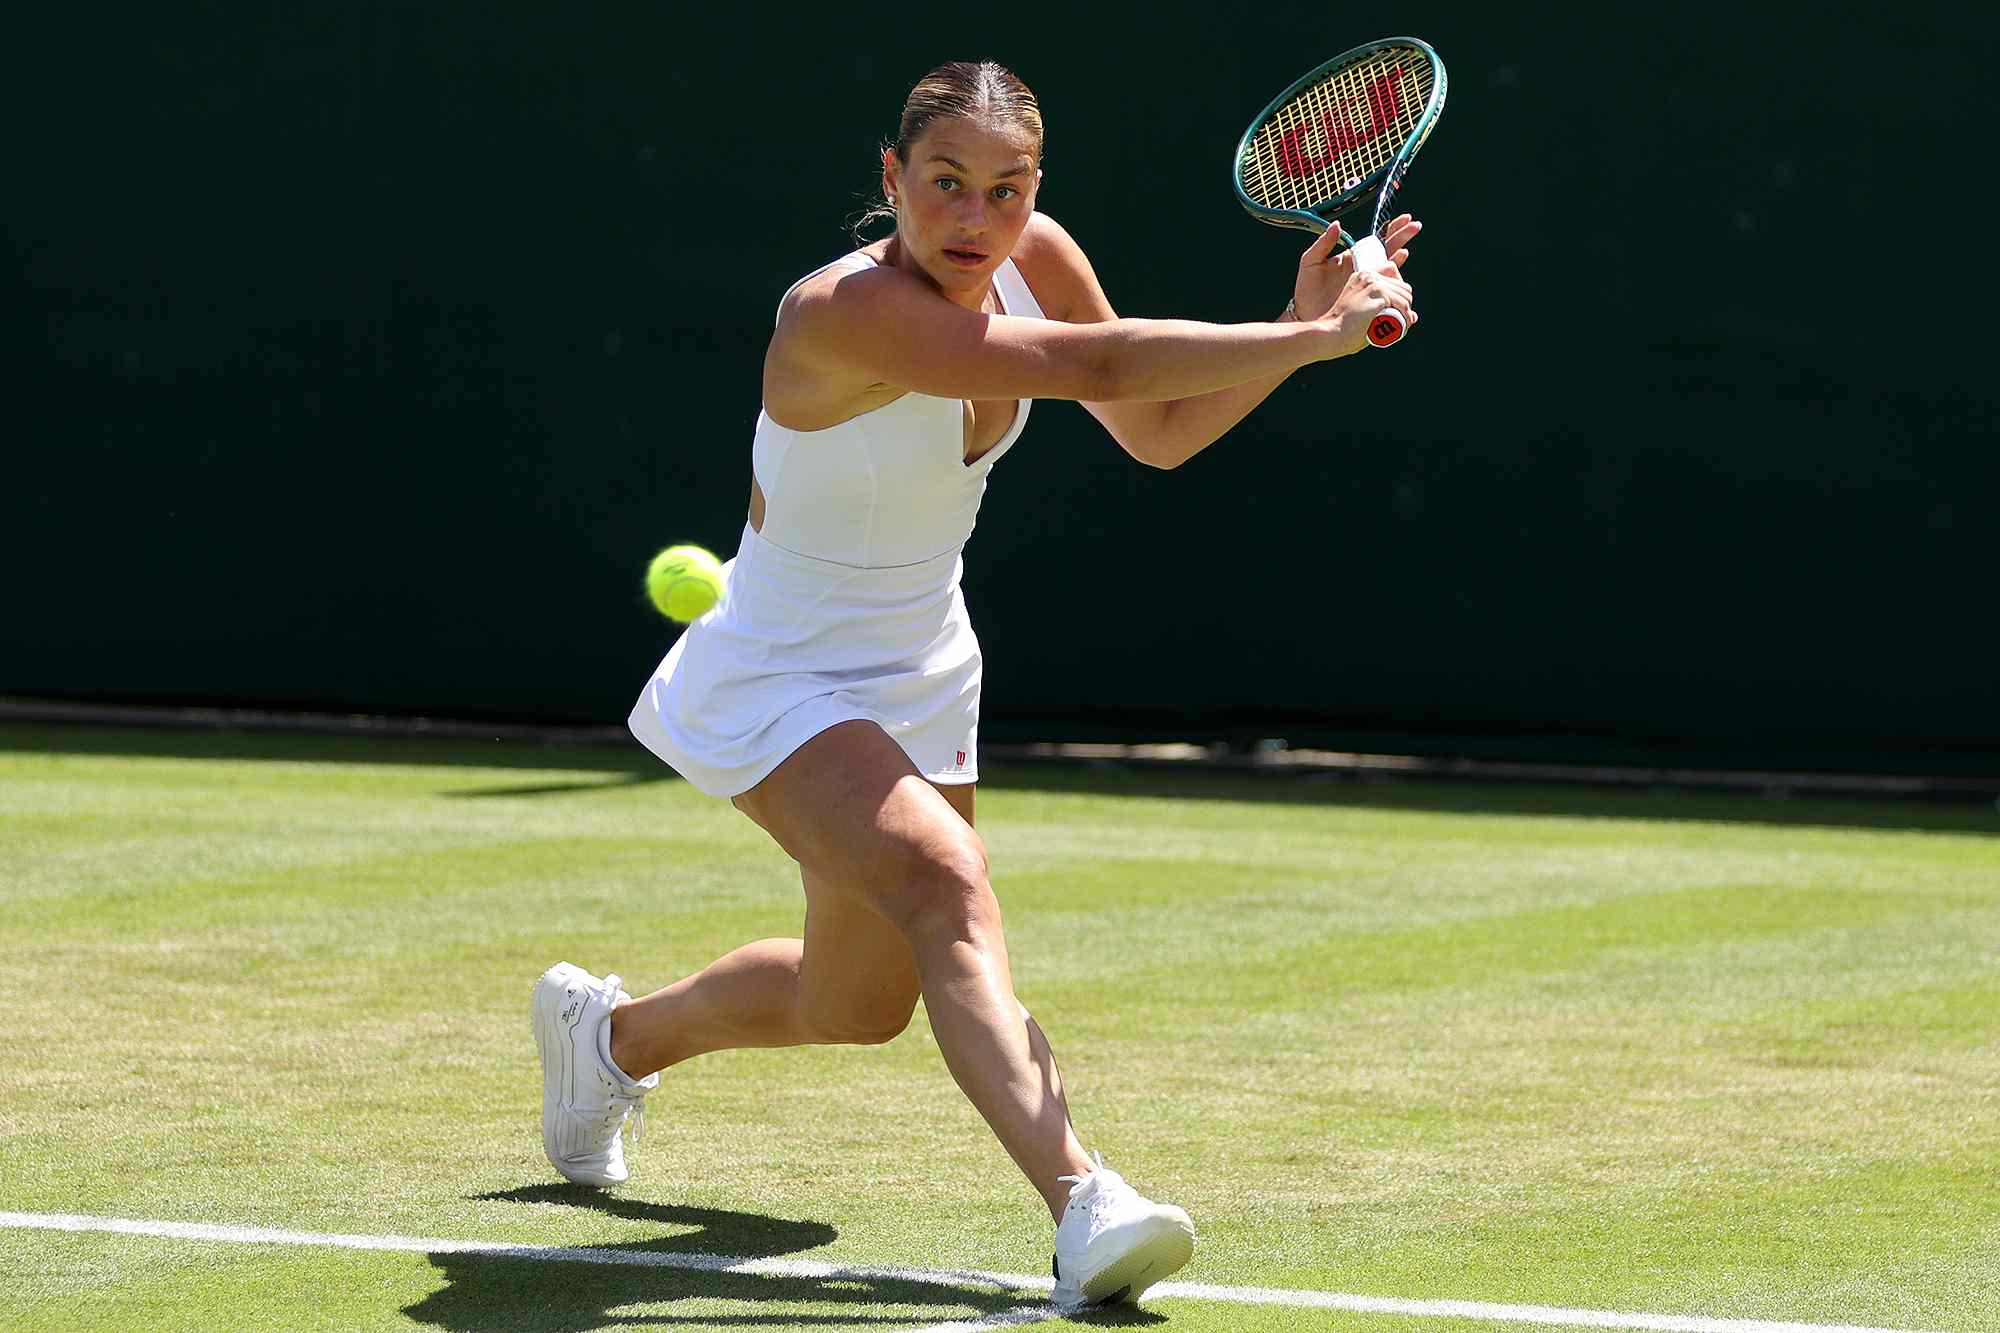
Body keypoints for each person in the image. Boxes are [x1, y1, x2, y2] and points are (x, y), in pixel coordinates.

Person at [533, 59, 1420, 1310]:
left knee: (852, 1002)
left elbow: (1156, 432)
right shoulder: (840, 312)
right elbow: (1102, 367)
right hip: (781, 664)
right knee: (949, 884)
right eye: (943, 185)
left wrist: (1288, 328)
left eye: (1005, 191)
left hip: (922, 660)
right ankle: (1084, 1203)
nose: (974, 219)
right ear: (891, 178)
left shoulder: (1033, 249)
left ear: (1034, 190)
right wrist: (1314, 335)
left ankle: (606, 1040)